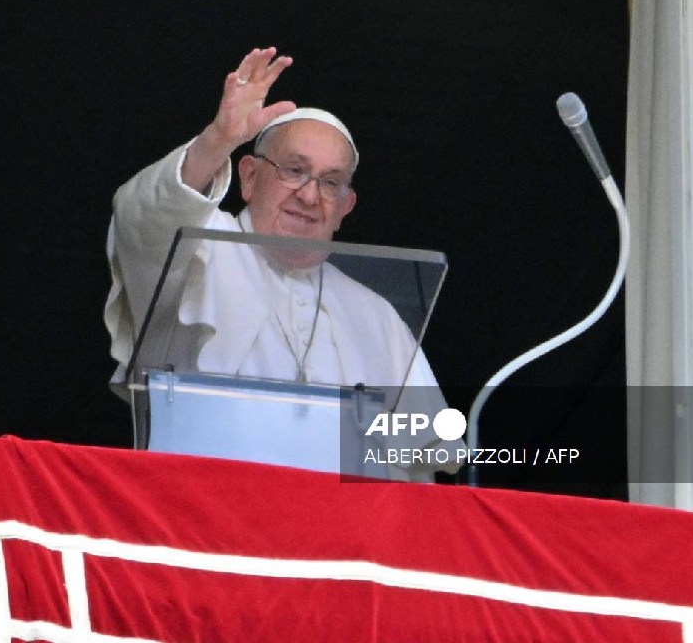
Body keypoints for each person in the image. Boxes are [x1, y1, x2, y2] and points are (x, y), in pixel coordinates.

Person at [105, 47, 459, 479]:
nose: (310, 196)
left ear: (347, 206)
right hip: (203, 511)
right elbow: (142, 217)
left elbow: (424, 461)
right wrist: (218, 140)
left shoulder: (376, 314)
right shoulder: (197, 248)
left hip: (339, 533)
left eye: (330, 183)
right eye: (294, 170)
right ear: (250, 177)